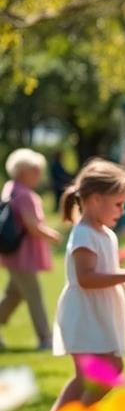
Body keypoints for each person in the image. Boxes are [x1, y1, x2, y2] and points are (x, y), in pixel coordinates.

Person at [46, 159, 125, 411]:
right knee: (107, 371)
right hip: (84, 314)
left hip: (99, 312)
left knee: (87, 377)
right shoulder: (83, 235)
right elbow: (85, 278)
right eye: (118, 204)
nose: (122, 211)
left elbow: (102, 272)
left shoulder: (103, 232)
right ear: (95, 200)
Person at [0, 149, 61, 351]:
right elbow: (32, 226)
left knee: (13, 296)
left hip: (13, 253)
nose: (38, 173)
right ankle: (45, 339)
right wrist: (54, 236)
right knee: (34, 296)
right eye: (35, 170)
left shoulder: (10, 188)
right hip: (23, 254)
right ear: (24, 171)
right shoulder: (24, 194)